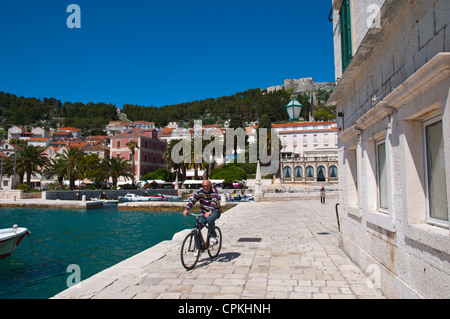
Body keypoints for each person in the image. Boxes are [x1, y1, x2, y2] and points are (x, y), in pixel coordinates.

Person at [183, 180, 222, 246]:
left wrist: (210, 211)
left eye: (207, 186)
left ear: (210, 186)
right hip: (204, 213)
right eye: (203, 186)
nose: (205, 188)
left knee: (209, 218)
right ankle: (198, 247)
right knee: (196, 229)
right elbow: (193, 200)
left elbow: (214, 201)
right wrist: (187, 209)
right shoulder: (200, 192)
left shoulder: (214, 191)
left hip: (215, 211)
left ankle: (213, 236)